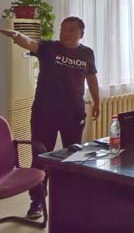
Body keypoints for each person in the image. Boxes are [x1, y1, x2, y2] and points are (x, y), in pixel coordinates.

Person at [2, 17, 100, 219]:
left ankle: (71, 197)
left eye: (72, 30)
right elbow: (30, 43)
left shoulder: (87, 53)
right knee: (40, 156)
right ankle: (37, 201)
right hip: (44, 113)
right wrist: (17, 35)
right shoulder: (49, 48)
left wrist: (97, 101)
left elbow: (91, 78)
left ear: (81, 33)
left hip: (73, 113)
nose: (66, 33)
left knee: (73, 156)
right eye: (63, 29)